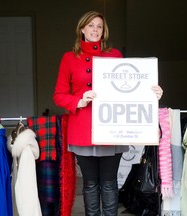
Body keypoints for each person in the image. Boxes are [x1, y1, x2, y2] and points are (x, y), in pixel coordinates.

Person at [53, 10, 163, 216]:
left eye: (99, 27)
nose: (95, 30)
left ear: (104, 31)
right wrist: (79, 100)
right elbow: (58, 95)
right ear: (82, 29)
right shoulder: (69, 58)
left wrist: (152, 93)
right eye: (91, 26)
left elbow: (130, 87)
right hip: (82, 129)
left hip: (112, 127)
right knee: (90, 183)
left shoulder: (114, 56)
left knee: (110, 182)